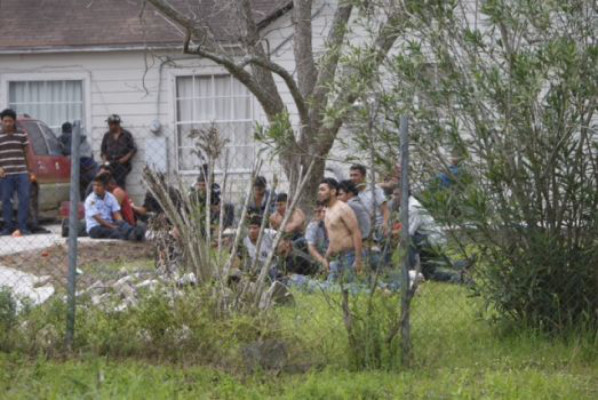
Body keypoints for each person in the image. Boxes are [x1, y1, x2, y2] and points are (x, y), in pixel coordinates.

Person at [318, 178, 363, 282]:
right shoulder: (328, 210)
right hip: (338, 257)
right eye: (319, 190)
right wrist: (326, 259)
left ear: (333, 191)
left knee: (354, 289)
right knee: (333, 288)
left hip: (350, 256)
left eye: (322, 189)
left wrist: (358, 259)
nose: (319, 193)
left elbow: (356, 233)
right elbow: (333, 238)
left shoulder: (343, 208)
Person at [0, 109, 31, 236]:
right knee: (6, 200)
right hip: (5, 174)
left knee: (24, 199)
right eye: (5, 121)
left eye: (10, 121)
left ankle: (22, 227)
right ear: (1, 121)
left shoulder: (21, 134)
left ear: (14, 121)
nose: (7, 123)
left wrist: (30, 171)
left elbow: (26, 152)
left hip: (22, 172)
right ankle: (8, 227)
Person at [84, 175, 143, 241]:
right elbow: (98, 219)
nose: (95, 188)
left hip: (110, 223)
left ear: (105, 187)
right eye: (94, 185)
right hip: (95, 227)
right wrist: (112, 227)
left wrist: (121, 223)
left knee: (123, 225)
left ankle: (134, 232)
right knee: (112, 232)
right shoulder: (90, 200)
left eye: (98, 185)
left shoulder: (110, 197)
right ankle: (131, 236)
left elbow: (117, 214)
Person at [349, 164, 390, 240]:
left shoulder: (374, 189)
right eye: (351, 175)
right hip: (362, 232)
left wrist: (385, 223)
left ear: (363, 176)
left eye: (355, 175)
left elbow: (385, 209)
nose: (352, 178)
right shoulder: (351, 193)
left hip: (377, 230)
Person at [59, 121, 99, 199]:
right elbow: (90, 154)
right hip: (90, 167)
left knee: (81, 191)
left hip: (76, 169)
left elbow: (62, 152)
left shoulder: (61, 140)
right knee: (91, 192)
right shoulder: (82, 139)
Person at [100, 114, 136, 189]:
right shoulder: (107, 135)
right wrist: (105, 162)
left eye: (111, 124)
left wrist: (124, 159)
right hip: (109, 162)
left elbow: (133, 150)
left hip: (122, 164)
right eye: (109, 124)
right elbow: (103, 151)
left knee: (120, 184)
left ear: (116, 124)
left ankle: (120, 197)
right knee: (104, 180)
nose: (110, 126)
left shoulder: (126, 135)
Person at [305, 202, 329, 272]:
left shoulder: (331, 223)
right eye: (316, 212)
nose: (318, 214)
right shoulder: (313, 226)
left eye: (321, 211)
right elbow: (311, 248)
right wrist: (322, 260)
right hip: (319, 257)